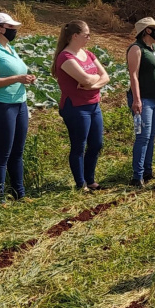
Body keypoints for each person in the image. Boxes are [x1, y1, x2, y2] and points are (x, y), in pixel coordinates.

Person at [0, 12, 36, 199]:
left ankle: (19, 193)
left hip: (20, 104)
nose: (15, 30)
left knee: (17, 152)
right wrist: (18, 78)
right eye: (11, 27)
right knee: (3, 153)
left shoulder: (10, 49)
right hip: (2, 106)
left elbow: (17, 73)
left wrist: (26, 78)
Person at [53, 20, 109, 191]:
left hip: (93, 104)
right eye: (86, 35)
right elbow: (85, 78)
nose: (89, 38)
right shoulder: (65, 57)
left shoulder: (89, 54)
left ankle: (90, 179)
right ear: (75, 36)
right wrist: (93, 79)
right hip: (76, 107)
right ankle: (81, 184)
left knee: (97, 143)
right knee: (79, 145)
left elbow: (106, 76)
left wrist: (92, 84)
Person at [127, 17, 155, 187]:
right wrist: (137, 99)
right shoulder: (136, 49)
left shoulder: (154, 50)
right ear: (147, 30)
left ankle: (147, 171)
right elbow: (133, 75)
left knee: (151, 137)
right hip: (143, 100)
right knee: (143, 137)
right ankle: (137, 176)